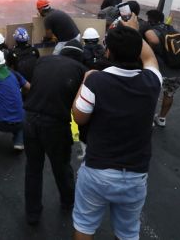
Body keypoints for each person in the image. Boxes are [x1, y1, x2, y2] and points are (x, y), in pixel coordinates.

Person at [72, 21, 162, 240]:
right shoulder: (152, 81)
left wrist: (85, 81)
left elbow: (79, 117)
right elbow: (150, 58)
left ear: (108, 51)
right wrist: (133, 33)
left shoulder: (96, 81)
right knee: (128, 232)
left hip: (98, 171)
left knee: (85, 225)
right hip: (135, 175)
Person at [24, 39, 87, 225]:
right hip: (55, 125)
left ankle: (32, 213)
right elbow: (81, 105)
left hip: (29, 119)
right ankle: (68, 202)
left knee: (33, 169)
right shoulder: (80, 71)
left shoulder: (43, 61)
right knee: (61, 166)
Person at [144, 9, 180, 127]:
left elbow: (151, 43)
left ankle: (148, 121)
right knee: (169, 94)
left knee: (151, 94)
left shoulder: (154, 32)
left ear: (151, 20)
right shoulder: (172, 30)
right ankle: (162, 119)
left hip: (163, 72)